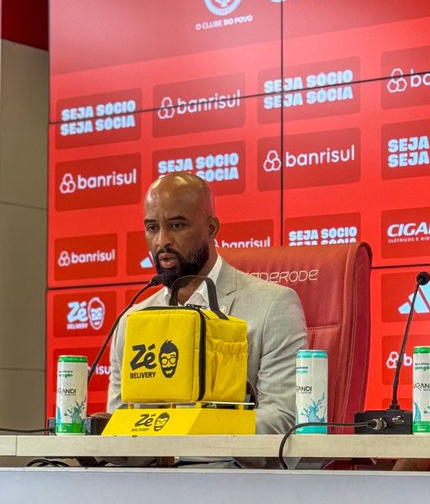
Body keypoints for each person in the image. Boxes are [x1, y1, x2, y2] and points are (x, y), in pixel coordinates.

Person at [107, 172, 306, 433]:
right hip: (150, 460)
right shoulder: (132, 320)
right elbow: (119, 422)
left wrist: (192, 431)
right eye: (152, 228)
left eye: (177, 226)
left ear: (211, 228)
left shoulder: (273, 306)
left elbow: (282, 419)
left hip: (230, 460)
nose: (162, 241)